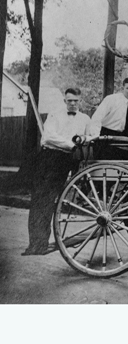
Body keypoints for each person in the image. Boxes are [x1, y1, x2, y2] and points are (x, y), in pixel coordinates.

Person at [23, 88, 94, 256]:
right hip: (50, 158)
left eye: (76, 101)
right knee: (42, 199)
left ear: (80, 101)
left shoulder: (85, 118)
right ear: (65, 100)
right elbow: (48, 137)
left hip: (69, 160)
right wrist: (72, 144)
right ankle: (36, 244)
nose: (73, 104)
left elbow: (91, 135)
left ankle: (44, 242)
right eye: (70, 100)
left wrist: (85, 139)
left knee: (57, 198)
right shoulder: (55, 115)